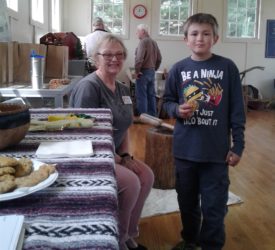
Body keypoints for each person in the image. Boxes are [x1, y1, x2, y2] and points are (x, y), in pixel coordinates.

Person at [163, 13, 246, 250]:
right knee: (187, 202)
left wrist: (238, 145)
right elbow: (166, 102)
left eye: (206, 33)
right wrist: (177, 109)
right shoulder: (179, 69)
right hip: (185, 152)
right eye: (195, 33)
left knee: (215, 205)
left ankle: (211, 244)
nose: (200, 38)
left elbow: (237, 111)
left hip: (216, 154)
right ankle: (190, 240)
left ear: (216, 38)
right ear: (186, 39)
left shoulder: (227, 67)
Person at [69, 34, 154, 250]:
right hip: (89, 156)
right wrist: (115, 159)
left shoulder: (123, 89)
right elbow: (84, 135)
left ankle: (128, 235)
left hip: (113, 154)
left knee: (146, 175)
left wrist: (125, 156)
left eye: (119, 54)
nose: (114, 59)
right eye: (107, 54)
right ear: (95, 58)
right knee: (131, 182)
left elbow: (124, 126)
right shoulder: (89, 87)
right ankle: (115, 239)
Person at [134, 24, 162, 117]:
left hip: (143, 72)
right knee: (151, 95)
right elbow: (159, 58)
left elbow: (139, 59)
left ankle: (143, 118)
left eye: (137, 32)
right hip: (151, 71)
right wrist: (154, 68)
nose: (136, 33)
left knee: (141, 95)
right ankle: (152, 116)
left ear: (143, 31)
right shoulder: (154, 42)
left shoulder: (143, 42)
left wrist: (137, 71)